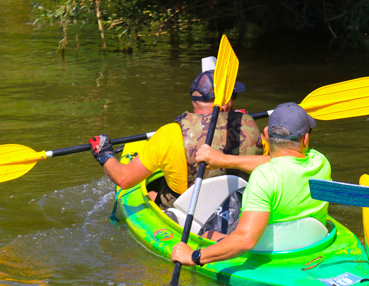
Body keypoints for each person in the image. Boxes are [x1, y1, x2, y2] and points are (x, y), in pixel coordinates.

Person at [171, 102, 329, 266]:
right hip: (311, 242)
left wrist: (194, 256)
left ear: (266, 134)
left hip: (266, 251)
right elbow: (281, 163)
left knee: (207, 235)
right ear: (305, 139)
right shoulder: (320, 161)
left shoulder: (263, 178)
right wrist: (223, 160)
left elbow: (245, 241)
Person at [89, 70, 262, 208]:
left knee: (150, 193)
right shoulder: (250, 126)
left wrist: (104, 155)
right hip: (240, 206)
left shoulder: (170, 134)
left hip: (188, 211)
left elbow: (124, 179)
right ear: (226, 103)